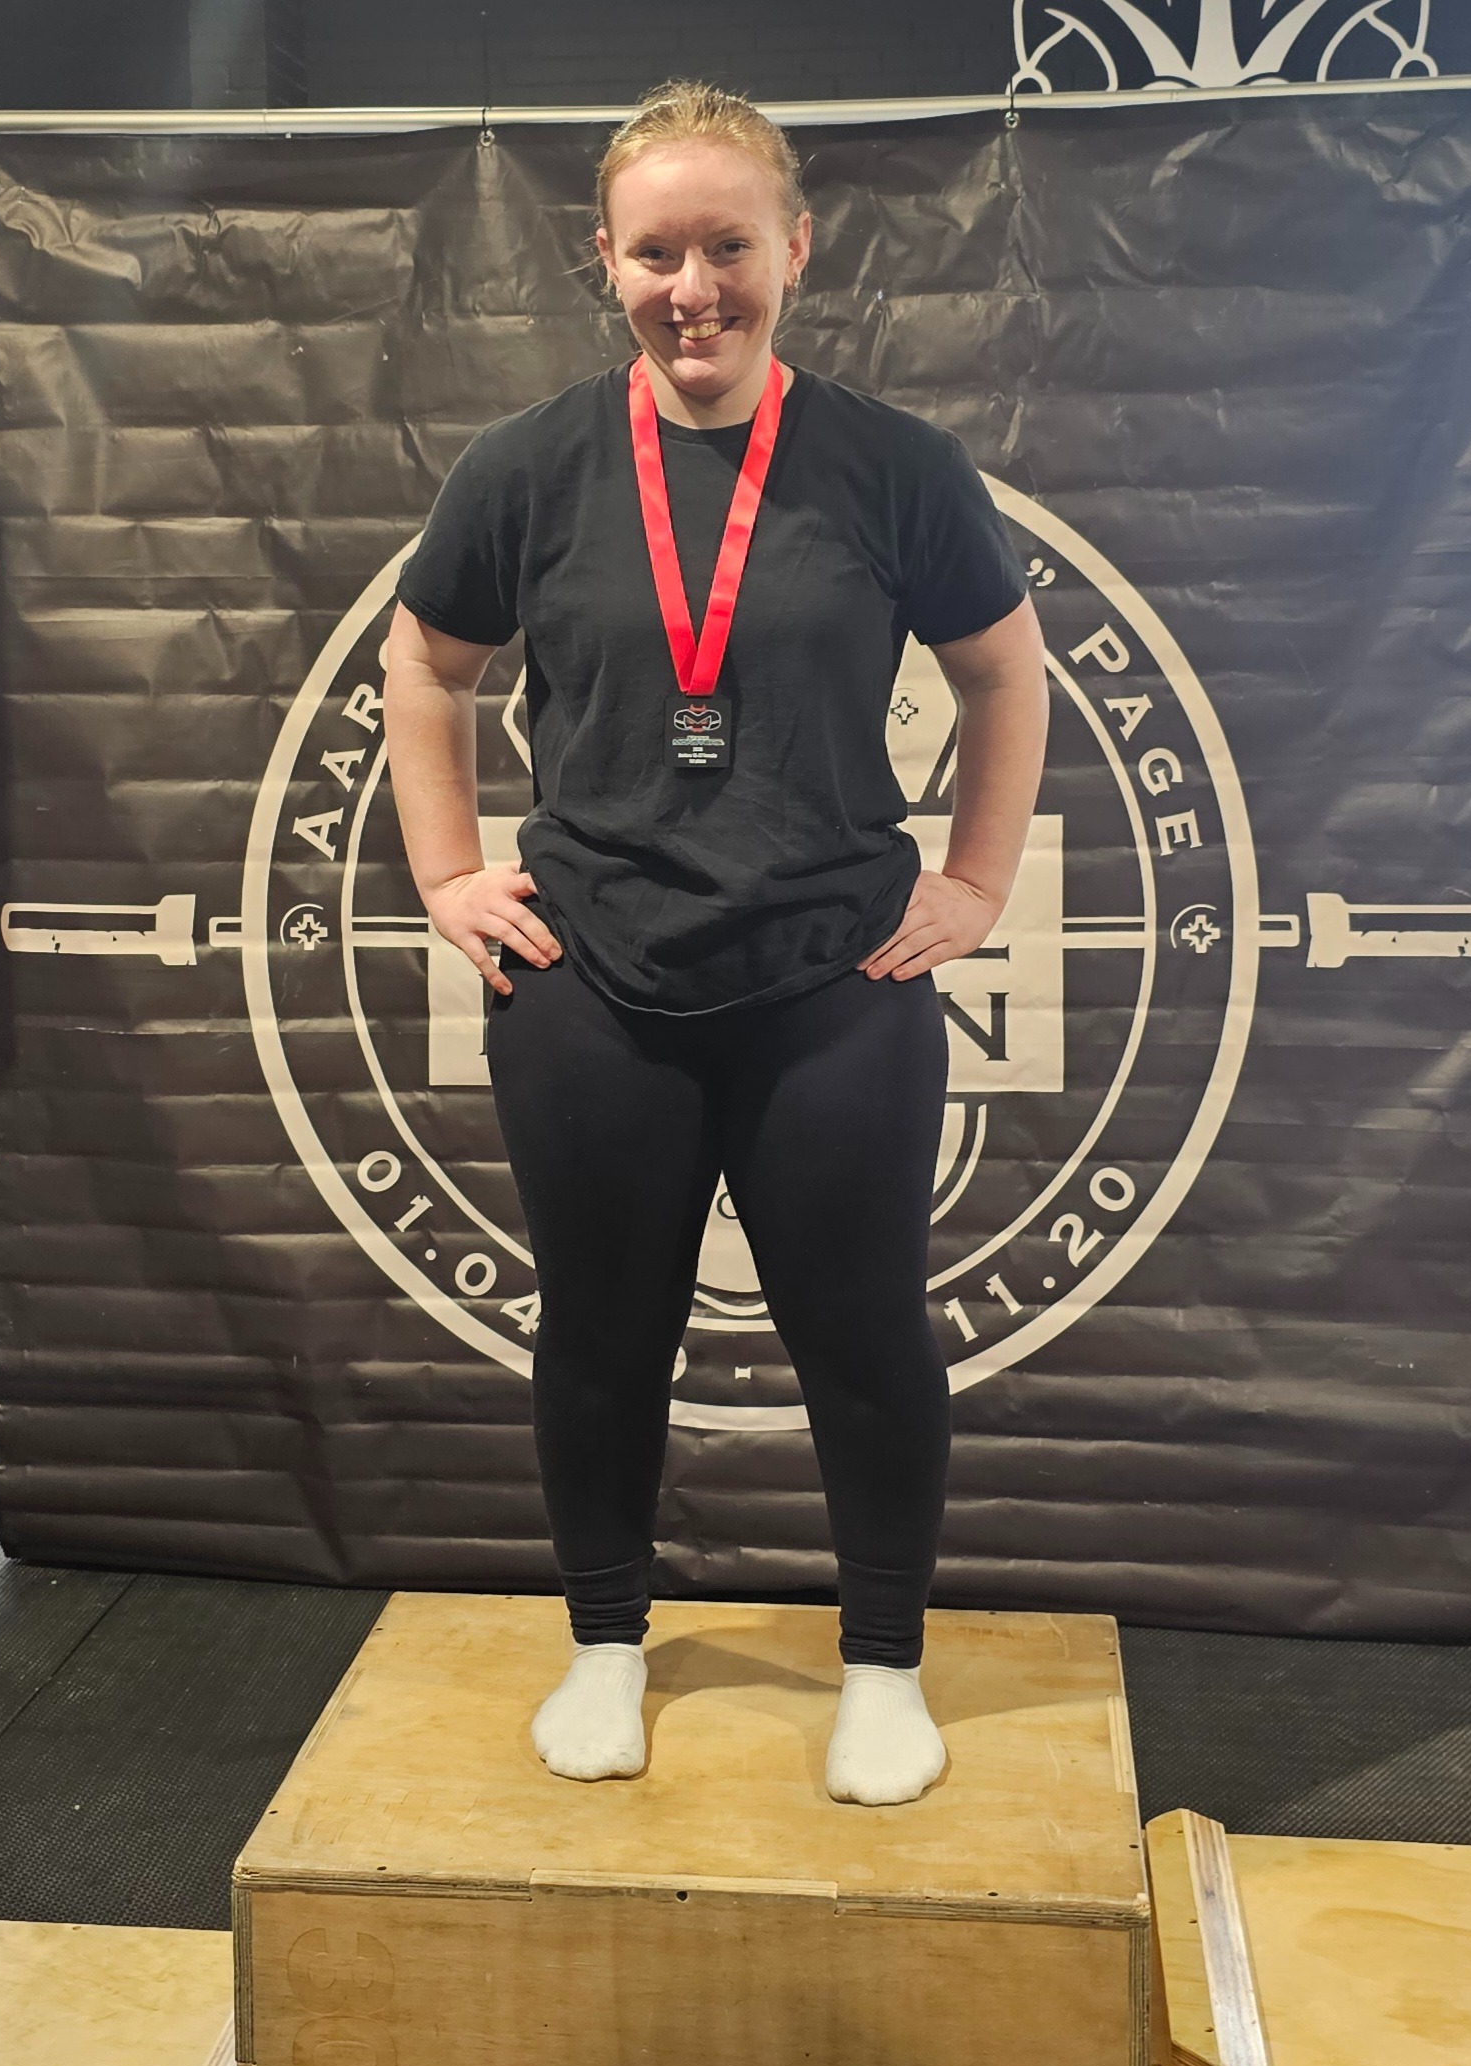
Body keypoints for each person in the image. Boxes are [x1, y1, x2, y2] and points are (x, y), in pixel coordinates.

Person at [383, 81, 1048, 1804]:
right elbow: (426, 665)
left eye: (729, 248)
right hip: (592, 987)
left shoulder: (896, 466)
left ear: (795, 251)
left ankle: (883, 1668)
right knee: (601, 1336)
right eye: (658, 253)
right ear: (605, 261)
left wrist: (977, 883)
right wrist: (447, 871)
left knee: (866, 1339)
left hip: (836, 984)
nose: (696, 290)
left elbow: (1002, 671)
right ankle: (608, 1645)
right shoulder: (526, 465)